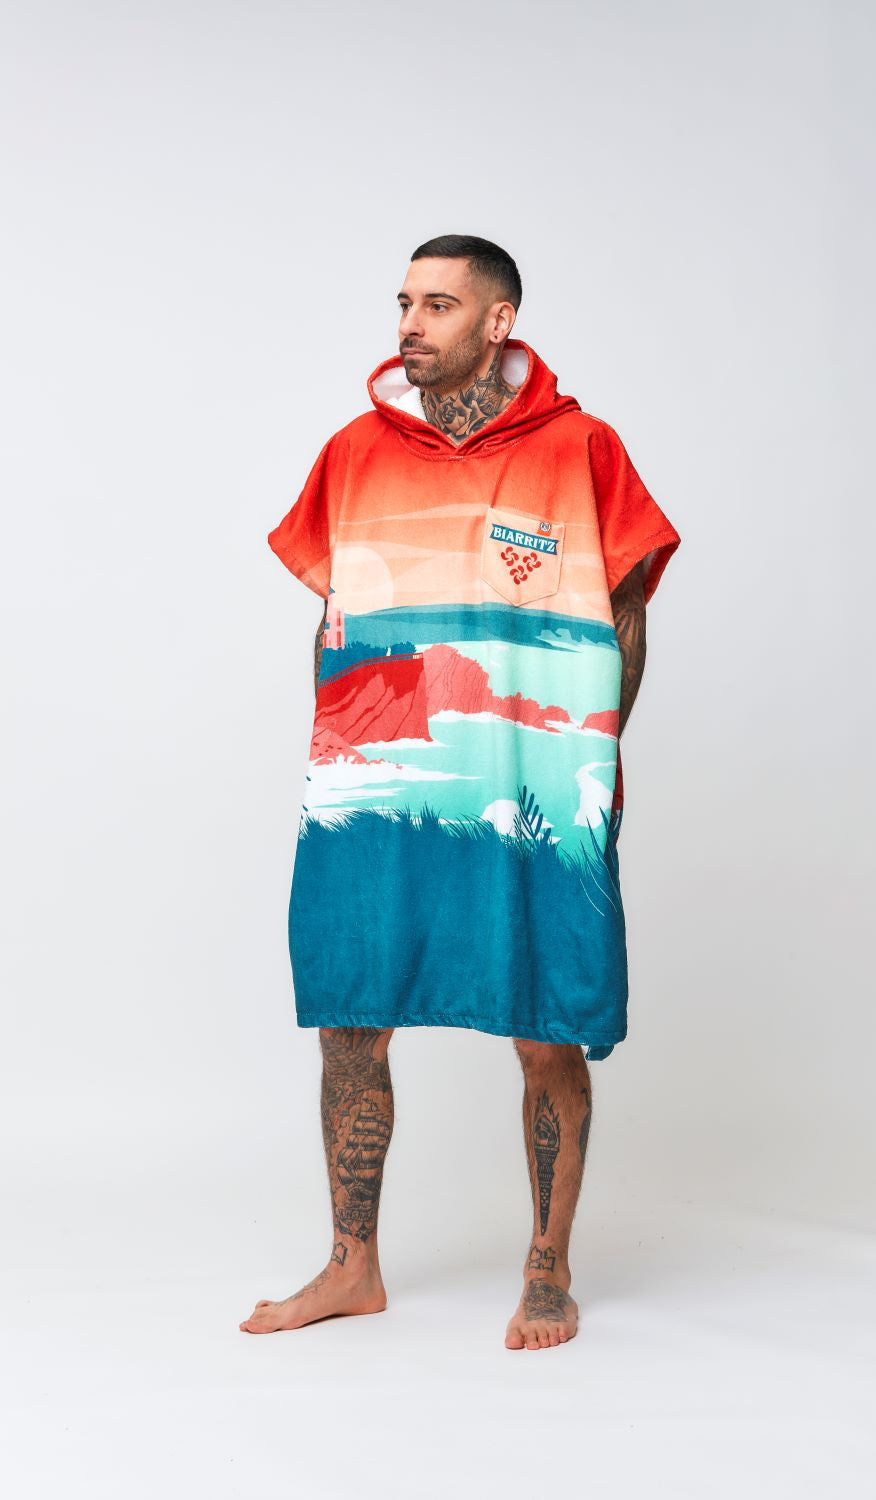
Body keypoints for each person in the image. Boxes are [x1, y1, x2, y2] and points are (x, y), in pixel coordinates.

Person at [240, 235, 681, 1350]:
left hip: (537, 785)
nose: (409, 323)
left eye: (437, 304)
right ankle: (352, 1266)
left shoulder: (581, 447)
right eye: (403, 302)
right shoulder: (355, 451)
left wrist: (592, 765)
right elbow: (331, 612)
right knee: (350, 1014)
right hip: (373, 782)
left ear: (498, 321)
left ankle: (548, 1268)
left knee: (546, 1020)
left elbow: (628, 612)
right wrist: (334, 754)